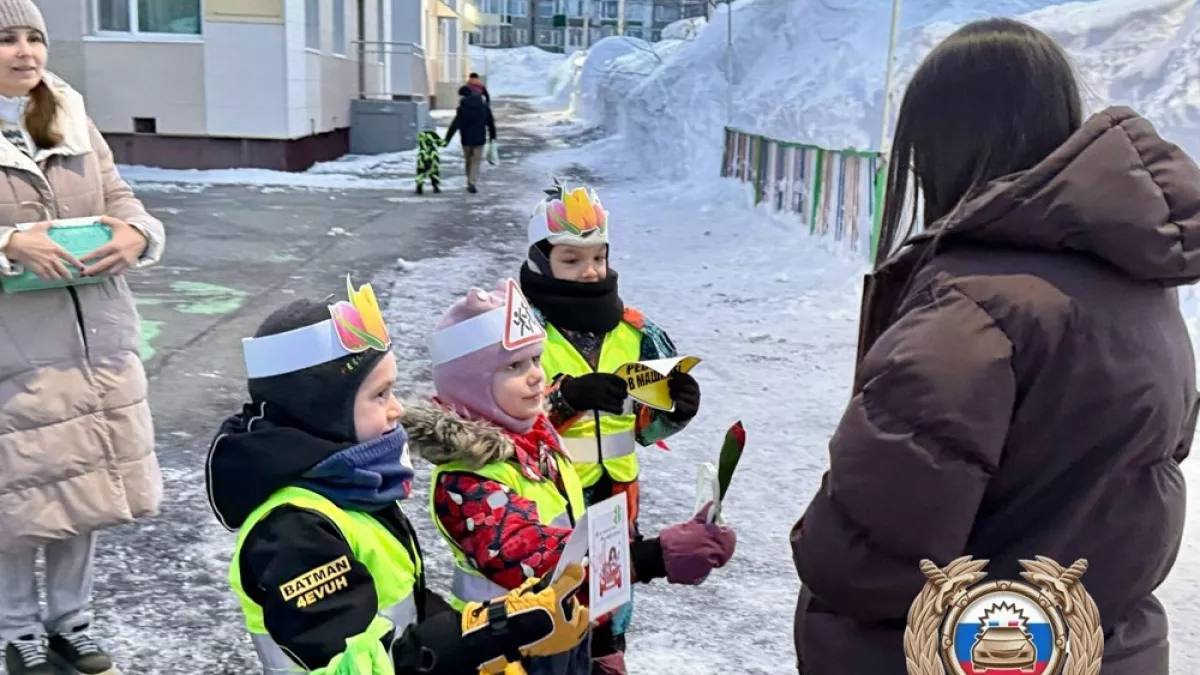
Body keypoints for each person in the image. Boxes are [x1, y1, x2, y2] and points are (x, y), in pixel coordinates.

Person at [789, 18, 1199, 675]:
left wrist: (815, 543)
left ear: (946, 146)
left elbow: (868, 555)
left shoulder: (972, 309)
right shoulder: (1140, 286)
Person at [206, 276, 591, 675]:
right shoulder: (293, 532)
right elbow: (357, 664)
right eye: (380, 395)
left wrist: (499, 645)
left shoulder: (347, 491)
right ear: (321, 410)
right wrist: (492, 632)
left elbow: (405, 610)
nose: (396, 410)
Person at [403, 281, 736, 675]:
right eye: (514, 366)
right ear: (471, 385)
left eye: (536, 360)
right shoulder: (467, 481)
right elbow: (541, 563)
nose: (535, 377)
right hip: (506, 654)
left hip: (560, 639)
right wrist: (654, 557)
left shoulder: (536, 438)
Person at [0, 2, 166, 674]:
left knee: (84, 487)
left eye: (34, 37)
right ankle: (15, 629)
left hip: (95, 340)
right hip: (16, 348)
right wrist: (10, 244)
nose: (24, 51)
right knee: (18, 493)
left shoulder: (68, 111)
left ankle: (74, 620)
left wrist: (137, 231)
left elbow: (119, 194)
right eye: (5, 39)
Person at [518, 179, 701, 673]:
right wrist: (565, 398)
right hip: (543, 501)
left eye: (597, 257)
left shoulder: (637, 331)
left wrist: (674, 411)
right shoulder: (519, 329)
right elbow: (497, 420)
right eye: (571, 260)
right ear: (540, 260)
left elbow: (645, 427)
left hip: (615, 496)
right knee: (549, 607)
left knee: (609, 605)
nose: (589, 271)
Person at [444, 85, 496, 194]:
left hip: (466, 139)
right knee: (476, 161)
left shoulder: (462, 108)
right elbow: (491, 123)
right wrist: (493, 137)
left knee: (468, 160)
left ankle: (469, 181)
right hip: (479, 138)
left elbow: (455, 124)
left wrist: (447, 139)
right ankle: (472, 182)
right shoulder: (484, 107)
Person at [415, 128, 442, 195]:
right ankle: (435, 187)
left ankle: (419, 188)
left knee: (421, 171)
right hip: (432, 155)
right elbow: (442, 143)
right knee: (433, 171)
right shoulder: (434, 135)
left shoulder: (421, 135)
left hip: (422, 155)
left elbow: (419, 143)